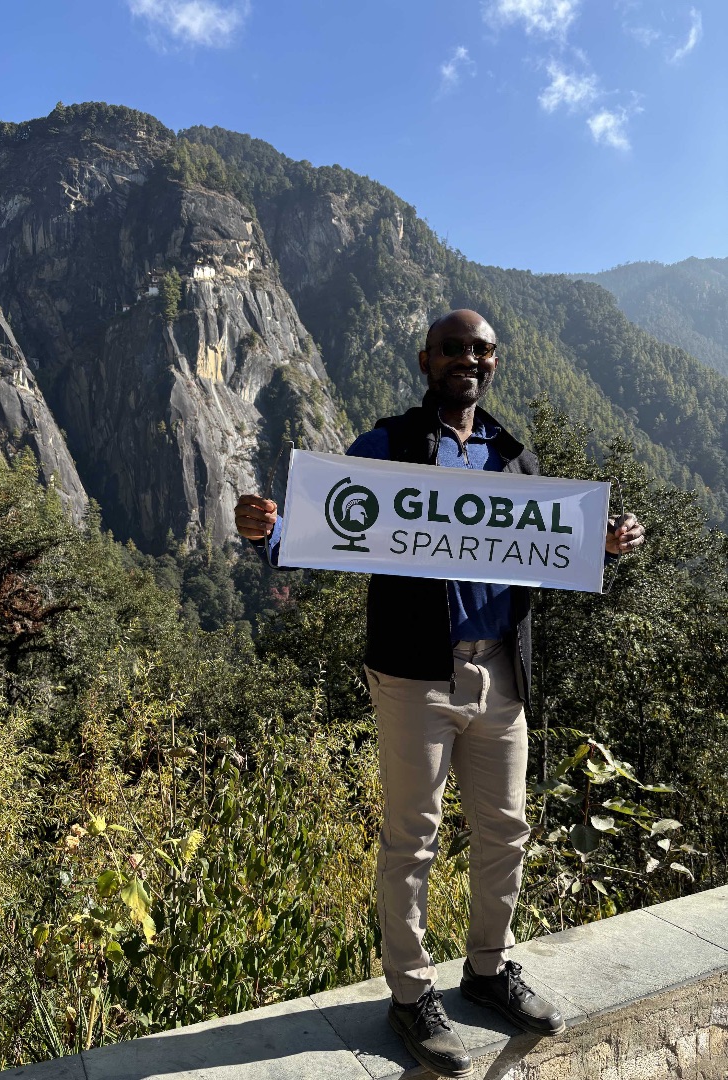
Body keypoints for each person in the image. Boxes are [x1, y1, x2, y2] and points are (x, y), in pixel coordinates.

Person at [234, 309, 645, 1078]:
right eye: (454, 348)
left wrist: (609, 544)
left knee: (507, 831)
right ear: (427, 360)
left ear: (495, 364)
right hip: (414, 675)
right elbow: (325, 526)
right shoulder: (389, 446)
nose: (468, 359)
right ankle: (412, 993)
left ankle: (488, 972)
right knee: (412, 841)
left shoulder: (515, 459)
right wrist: (268, 530)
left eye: (482, 350)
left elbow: (558, 547)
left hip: (500, 672)